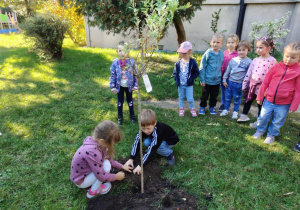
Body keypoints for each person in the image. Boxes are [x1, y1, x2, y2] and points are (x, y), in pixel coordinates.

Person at [252, 42, 300, 145]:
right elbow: (266, 82)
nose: (288, 59)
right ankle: (260, 130)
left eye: (293, 57)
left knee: (278, 120)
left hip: (284, 103)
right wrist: (260, 95)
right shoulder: (276, 67)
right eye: (287, 56)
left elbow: (298, 90)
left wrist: (294, 105)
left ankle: (271, 135)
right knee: (263, 116)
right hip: (269, 99)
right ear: (283, 54)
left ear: (298, 58)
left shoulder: (298, 72)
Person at [70, 120, 132, 198]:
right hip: (81, 180)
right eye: (112, 143)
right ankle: (93, 192)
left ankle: (92, 184)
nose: (113, 145)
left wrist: (122, 166)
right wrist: (116, 177)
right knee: (106, 167)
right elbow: (101, 176)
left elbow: (108, 159)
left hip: (84, 173)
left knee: (106, 163)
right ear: (102, 141)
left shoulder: (97, 144)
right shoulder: (93, 152)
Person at [124, 109, 179, 175]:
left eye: (148, 128)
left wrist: (140, 165)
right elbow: (137, 142)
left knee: (157, 148)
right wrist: (131, 158)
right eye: (143, 128)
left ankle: (169, 153)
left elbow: (153, 149)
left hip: (170, 140)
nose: (146, 131)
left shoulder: (159, 132)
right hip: (157, 138)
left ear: (154, 123)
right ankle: (157, 149)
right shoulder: (143, 129)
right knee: (146, 142)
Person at [238, 38, 277, 125]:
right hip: (252, 85)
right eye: (257, 47)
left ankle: (260, 120)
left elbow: (273, 76)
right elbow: (249, 72)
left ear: (268, 48)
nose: (258, 50)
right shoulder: (255, 60)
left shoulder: (272, 61)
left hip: (263, 87)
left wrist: (268, 89)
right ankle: (244, 115)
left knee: (260, 104)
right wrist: (245, 83)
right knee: (248, 100)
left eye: (261, 47)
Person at [220, 40, 252, 119]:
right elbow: (228, 70)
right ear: (237, 50)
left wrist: (245, 85)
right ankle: (226, 109)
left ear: (248, 50)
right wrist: (224, 80)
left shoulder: (249, 62)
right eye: (239, 50)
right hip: (230, 82)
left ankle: (235, 111)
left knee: (237, 98)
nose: (241, 52)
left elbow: (249, 75)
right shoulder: (233, 60)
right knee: (227, 97)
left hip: (239, 84)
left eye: (244, 50)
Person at [110, 41, 138, 125]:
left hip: (129, 86)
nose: (121, 53)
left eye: (123, 50)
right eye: (119, 50)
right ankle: (120, 117)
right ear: (117, 52)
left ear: (128, 52)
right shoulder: (115, 63)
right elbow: (113, 75)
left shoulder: (132, 62)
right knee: (120, 102)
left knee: (130, 101)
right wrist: (112, 87)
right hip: (120, 86)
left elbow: (136, 74)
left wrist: (135, 86)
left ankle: (132, 115)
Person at [199, 33, 224, 115]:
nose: (215, 44)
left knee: (214, 95)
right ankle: (202, 106)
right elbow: (202, 66)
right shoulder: (208, 53)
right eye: (214, 42)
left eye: (218, 42)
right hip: (207, 80)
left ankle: (212, 107)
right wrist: (202, 79)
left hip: (217, 80)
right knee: (205, 95)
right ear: (210, 42)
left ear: (221, 44)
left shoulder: (221, 54)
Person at [173, 41, 200, 117]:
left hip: (189, 85)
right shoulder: (178, 63)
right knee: (181, 97)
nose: (183, 54)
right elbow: (175, 73)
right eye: (181, 52)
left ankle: (192, 109)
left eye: (185, 52)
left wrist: (191, 78)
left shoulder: (192, 62)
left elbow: (196, 72)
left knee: (190, 99)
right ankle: (181, 109)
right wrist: (177, 79)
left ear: (190, 52)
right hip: (180, 84)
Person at [219, 34, 239, 112]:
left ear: (236, 43)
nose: (230, 44)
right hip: (222, 76)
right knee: (223, 90)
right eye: (229, 42)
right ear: (226, 43)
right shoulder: (223, 53)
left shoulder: (237, 55)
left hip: (231, 77)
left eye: (232, 43)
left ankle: (229, 104)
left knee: (229, 91)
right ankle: (223, 104)